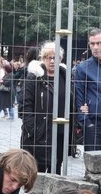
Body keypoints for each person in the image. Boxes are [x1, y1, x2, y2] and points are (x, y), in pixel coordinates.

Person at [20, 40, 67, 174]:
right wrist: (33, 129)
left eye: (55, 57)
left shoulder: (66, 78)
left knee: (56, 168)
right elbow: (25, 106)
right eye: (48, 57)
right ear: (42, 58)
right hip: (39, 132)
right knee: (36, 170)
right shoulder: (33, 77)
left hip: (60, 132)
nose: (52, 61)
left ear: (60, 59)